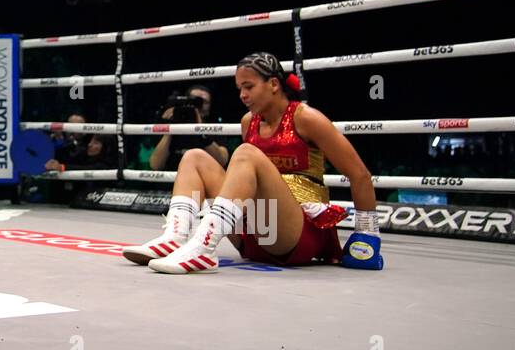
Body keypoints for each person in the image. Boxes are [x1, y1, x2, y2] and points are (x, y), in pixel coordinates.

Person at [123, 52, 383, 273]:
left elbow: (359, 174)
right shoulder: (249, 122)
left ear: (272, 84)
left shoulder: (307, 118)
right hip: (259, 233)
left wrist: (367, 234)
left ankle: (203, 246)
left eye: (249, 87)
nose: (242, 95)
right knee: (194, 156)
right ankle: (175, 238)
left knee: (246, 153)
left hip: (297, 234)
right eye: (239, 89)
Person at [144, 84, 230, 170]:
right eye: (194, 100)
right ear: (185, 101)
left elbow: (222, 160)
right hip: (173, 180)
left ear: (210, 107)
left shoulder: (214, 128)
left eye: (205, 102)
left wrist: (202, 133)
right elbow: (155, 165)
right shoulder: (171, 124)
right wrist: (170, 131)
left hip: (203, 181)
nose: (199, 105)